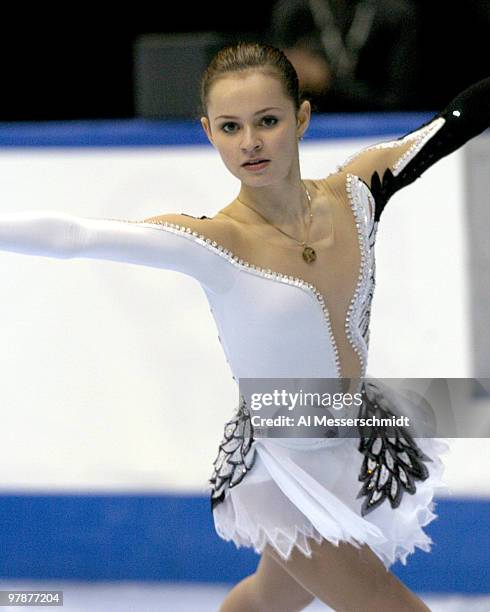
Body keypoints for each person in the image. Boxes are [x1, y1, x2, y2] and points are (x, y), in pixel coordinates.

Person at [0, 41, 488, 610]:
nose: (250, 142)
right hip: (282, 459)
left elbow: (454, 122)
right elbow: (75, 236)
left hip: (354, 429)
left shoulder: (358, 192)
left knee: (265, 599)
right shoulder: (216, 243)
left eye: (268, 121)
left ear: (301, 118)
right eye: (230, 127)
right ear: (209, 133)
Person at [268, 0, 422, 112]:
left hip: (377, 128)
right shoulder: (293, 12)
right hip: (310, 130)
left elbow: (400, 100)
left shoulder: (394, 14)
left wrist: (328, 83)